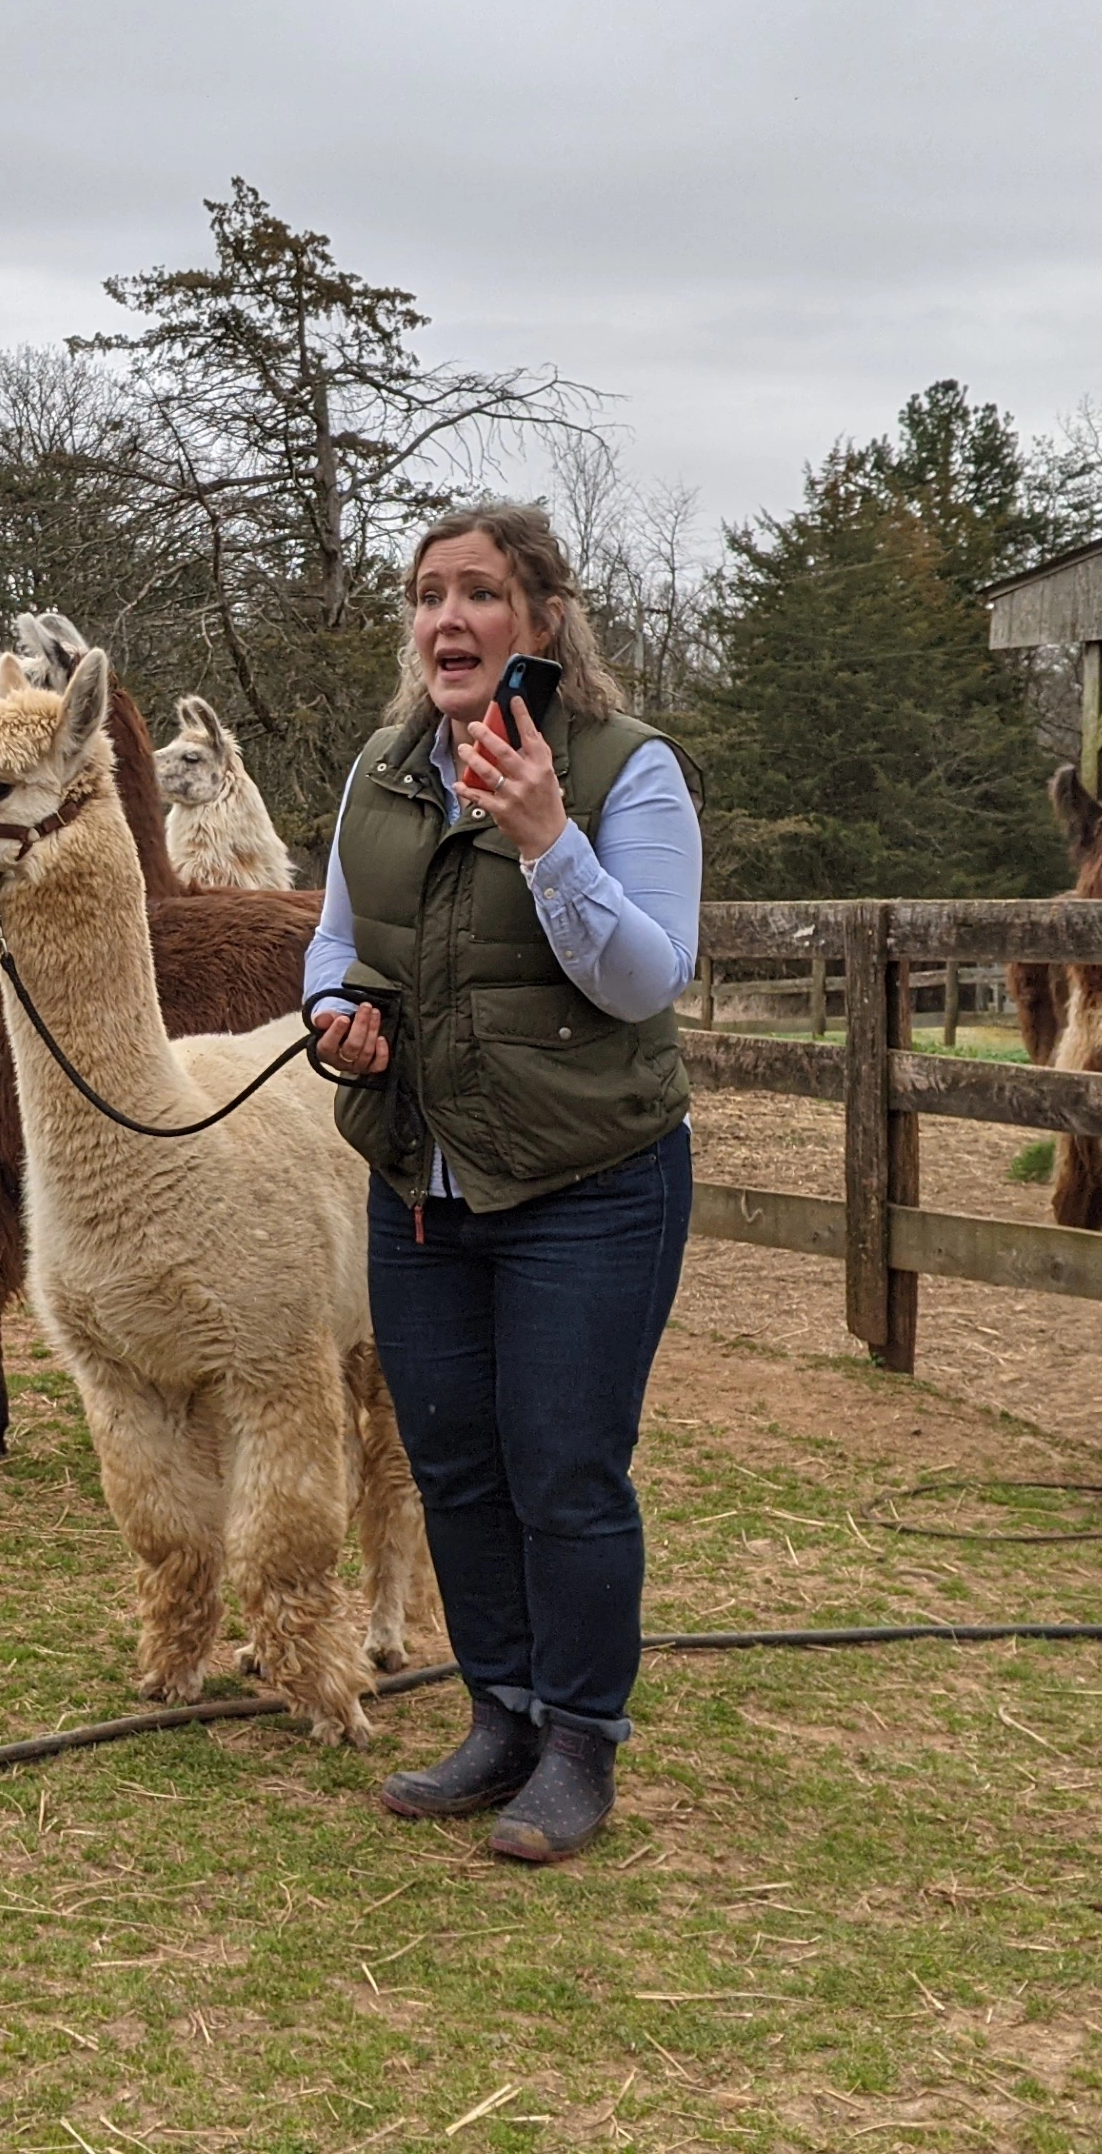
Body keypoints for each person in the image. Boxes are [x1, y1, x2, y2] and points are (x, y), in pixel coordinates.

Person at [304, 501, 702, 1865]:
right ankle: (500, 1718)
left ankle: (580, 1742)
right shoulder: (383, 771)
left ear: (543, 619)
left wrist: (546, 839)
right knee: (456, 1465)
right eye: (427, 596)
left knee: (564, 1468)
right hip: (422, 1178)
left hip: (589, 1183)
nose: (447, 621)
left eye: (479, 593)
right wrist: (334, 1021)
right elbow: (335, 941)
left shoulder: (624, 770)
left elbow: (645, 979)